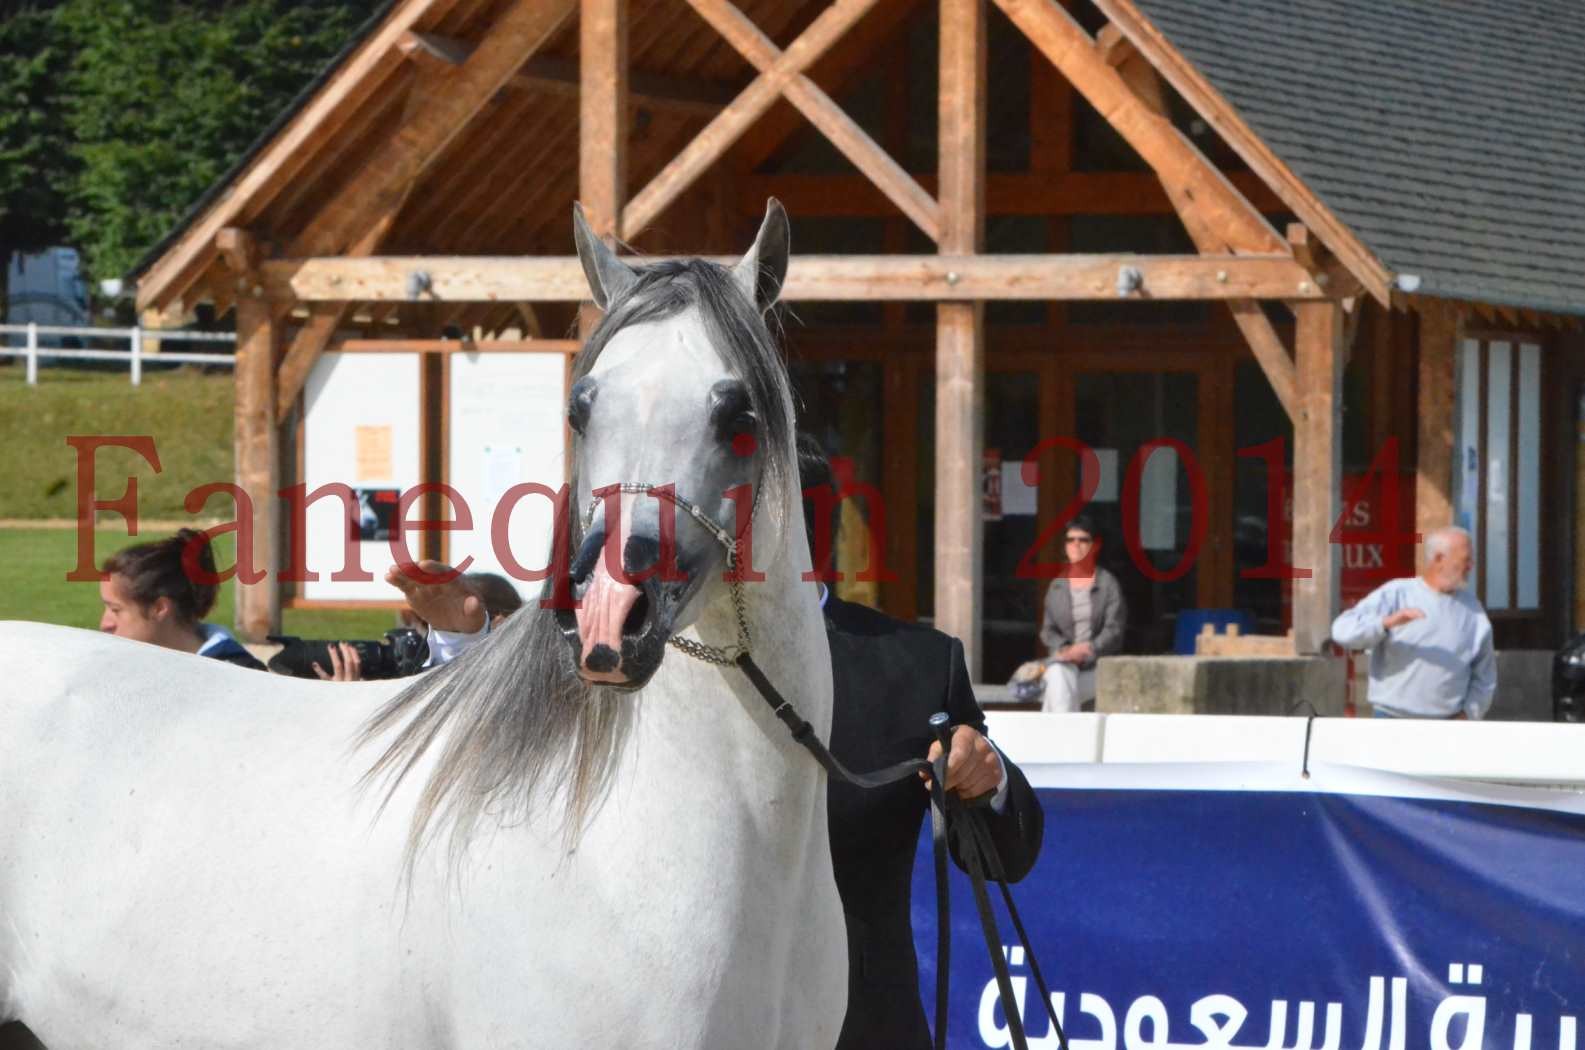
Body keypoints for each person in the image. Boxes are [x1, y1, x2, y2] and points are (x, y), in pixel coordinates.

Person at [415, 439, 1045, 1048]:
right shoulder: (636, 656)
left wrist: (987, 780)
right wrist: (461, 641)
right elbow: (508, 756)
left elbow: (1004, 856)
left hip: (863, 1030)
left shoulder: (916, 666)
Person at [1330, 525, 1496, 720]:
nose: (1471, 566)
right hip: (1391, 721)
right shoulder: (1396, 594)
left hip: (1447, 726)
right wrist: (1384, 624)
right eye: (1465, 560)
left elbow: (1484, 677)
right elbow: (1341, 631)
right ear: (1439, 559)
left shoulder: (1473, 610)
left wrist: (1468, 714)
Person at [98, 529, 265, 671]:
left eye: (115, 610)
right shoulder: (121, 669)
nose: (105, 624)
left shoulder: (243, 677)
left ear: (159, 608)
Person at [1013, 514, 1127, 713]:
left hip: (1097, 666)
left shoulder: (1108, 584)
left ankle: (1058, 737)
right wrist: (1066, 649)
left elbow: (1114, 629)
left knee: (1057, 689)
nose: (1076, 545)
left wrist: (1088, 649)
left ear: (1095, 545)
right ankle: (1066, 735)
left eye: (1083, 540)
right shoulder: (1057, 587)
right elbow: (1048, 631)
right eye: (1070, 540)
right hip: (1064, 662)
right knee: (1059, 675)